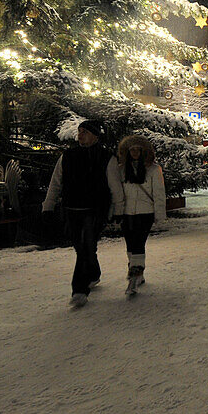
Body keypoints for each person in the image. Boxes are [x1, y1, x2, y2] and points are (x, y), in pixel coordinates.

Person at [42, 120, 123, 307]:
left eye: (85, 132)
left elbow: (114, 186)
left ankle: (79, 289)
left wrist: (118, 210)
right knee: (82, 247)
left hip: (94, 210)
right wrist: (48, 206)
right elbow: (56, 182)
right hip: (71, 209)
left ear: (95, 135)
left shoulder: (106, 157)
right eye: (79, 132)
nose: (80, 135)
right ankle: (93, 274)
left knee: (85, 246)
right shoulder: (68, 156)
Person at [115, 135, 167, 296]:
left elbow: (159, 193)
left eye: (138, 149)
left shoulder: (153, 169)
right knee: (130, 244)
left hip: (145, 213)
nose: (135, 152)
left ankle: (134, 277)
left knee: (138, 243)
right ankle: (138, 273)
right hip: (127, 213)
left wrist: (159, 215)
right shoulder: (121, 170)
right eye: (132, 150)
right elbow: (117, 193)